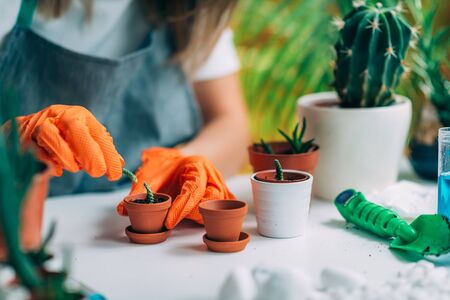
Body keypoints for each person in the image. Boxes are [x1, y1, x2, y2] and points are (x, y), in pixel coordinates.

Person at [0, 0, 250, 229]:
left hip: (125, 231)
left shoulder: (190, 8)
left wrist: (180, 164)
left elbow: (230, 123)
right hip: (21, 225)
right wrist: (8, 140)